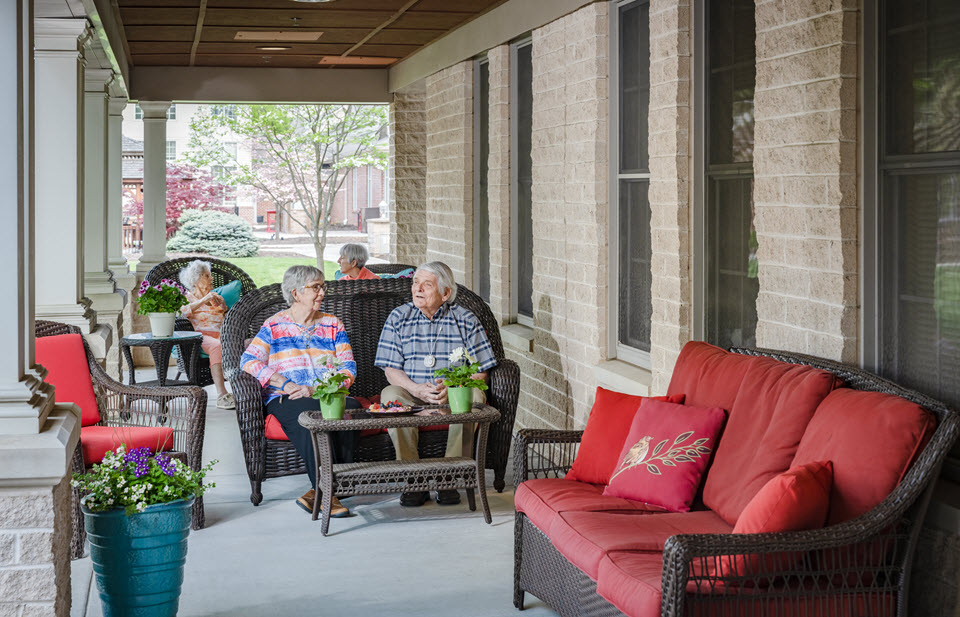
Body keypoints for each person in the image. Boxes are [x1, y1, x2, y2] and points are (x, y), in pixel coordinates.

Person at [240, 265, 361, 518]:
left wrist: (315, 388)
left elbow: (348, 367)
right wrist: (284, 384)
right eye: (315, 287)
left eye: (322, 286)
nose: (322, 292)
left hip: (323, 393)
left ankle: (321, 490)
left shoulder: (332, 324)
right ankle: (330, 493)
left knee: (351, 408)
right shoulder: (274, 325)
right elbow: (249, 361)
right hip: (286, 397)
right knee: (308, 418)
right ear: (296, 293)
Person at [374, 261, 497, 507]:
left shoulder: (465, 319)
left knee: (474, 397)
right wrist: (416, 388)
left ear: (445, 293)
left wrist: (451, 387)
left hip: (452, 393)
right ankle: (412, 479)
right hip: (411, 390)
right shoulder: (399, 317)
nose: (417, 289)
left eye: (426, 285)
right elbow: (391, 370)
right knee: (390, 395)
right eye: (415, 283)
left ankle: (448, 478)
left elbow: (482, 372)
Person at [179, 260, 234, 409]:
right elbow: (181, 313)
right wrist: (204, 300)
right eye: (206, 276)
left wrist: (224, 307)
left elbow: (229, 317)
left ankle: (250, 392)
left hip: (222, 335)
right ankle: (222, 395)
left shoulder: (216, 298)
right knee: (216, 346)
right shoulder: (187, 298)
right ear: (195, 281)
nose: (211, 279)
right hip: (200, 337)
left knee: (249, 344)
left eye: (210, 276)